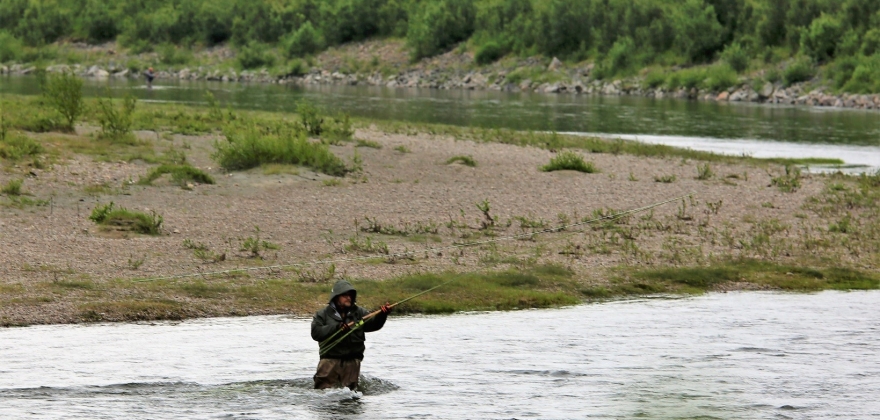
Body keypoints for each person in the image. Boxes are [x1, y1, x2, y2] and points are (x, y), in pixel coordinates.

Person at [311, 280, 391, 391]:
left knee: (350, 394)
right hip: (329, 362)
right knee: (322, 392)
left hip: (352, 363)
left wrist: (383, 316)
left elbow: (372, 325)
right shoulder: (322, 314)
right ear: (336, 297)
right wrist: (337, 328)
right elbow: (316, 333)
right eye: (345, 295)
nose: (348, 298)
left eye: (350, 295)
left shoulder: (359, 313)